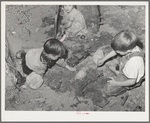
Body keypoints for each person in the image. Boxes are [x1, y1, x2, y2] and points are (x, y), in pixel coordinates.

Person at [95, 30, 145, 96]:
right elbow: (115, 51)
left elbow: (132, 81)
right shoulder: (131, 47)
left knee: (108, 90)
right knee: (114, 56)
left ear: (128, 50)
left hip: (128, 79)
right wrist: (103, 59)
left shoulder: (134, 63)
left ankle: (119, 90)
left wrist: (116, 83)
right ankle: (118, 72)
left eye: (118, 52)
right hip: (127, 69)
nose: (117, 53)